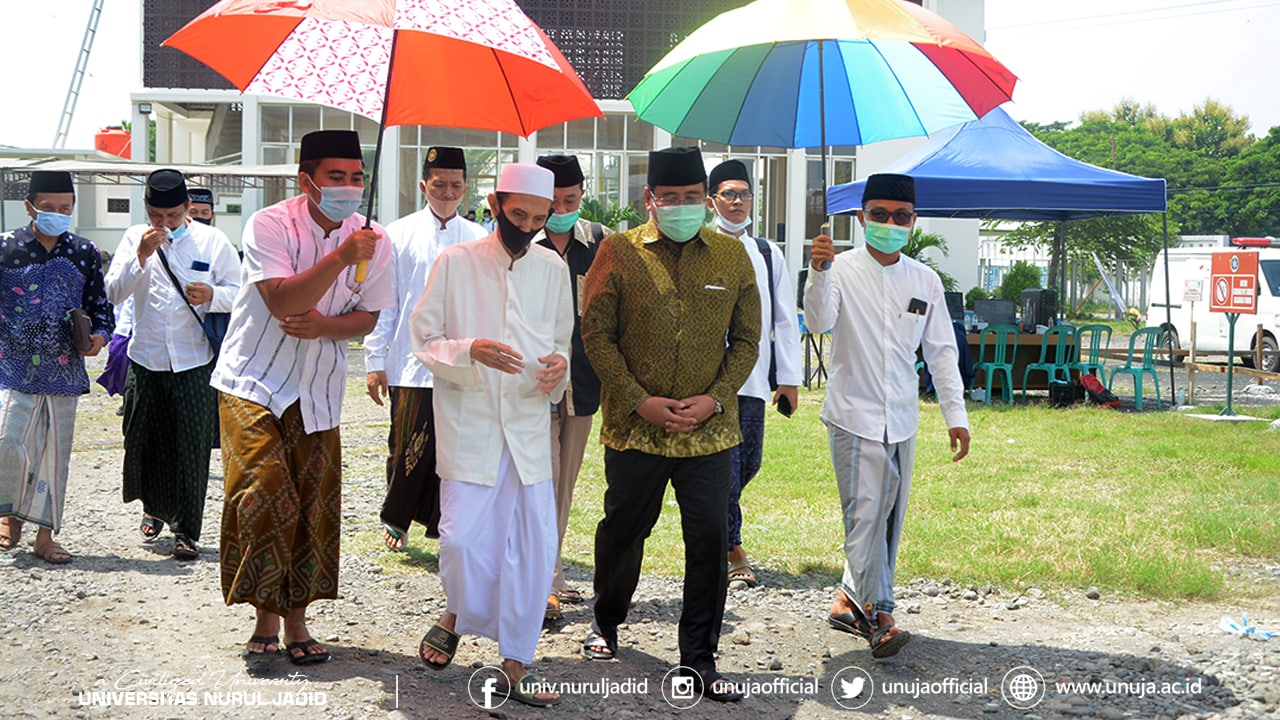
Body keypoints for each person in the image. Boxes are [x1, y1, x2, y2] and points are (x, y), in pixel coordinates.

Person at [580, 146, 759, 703]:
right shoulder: (617, 251)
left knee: (707, 538)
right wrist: (639, 400)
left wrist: (715, 398)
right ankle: (607, 620)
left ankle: (699, 658)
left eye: (690, 199)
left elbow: (748, 340)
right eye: (669, 199)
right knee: (624, 529)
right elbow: (596, 335)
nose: (680, 208)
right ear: (649, 200)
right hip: (637, 427)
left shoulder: (732, 258)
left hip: (708, 431)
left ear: (706, 201)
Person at [213, 129, 392, 664]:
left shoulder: (374, 238)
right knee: (266, 488)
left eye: (356, 178)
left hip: (318, 389)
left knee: (314, 505)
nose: (348, 187)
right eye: (335, 177)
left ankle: (295, 621)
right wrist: (339, 259)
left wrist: (329, 327)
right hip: (254, 381)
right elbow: (282, 301)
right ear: (306, 180)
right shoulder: (269, 224)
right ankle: (264, 611)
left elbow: (370, 316)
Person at [411, 163, 572, 708]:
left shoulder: (552, 267)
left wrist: (558, 369)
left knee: (532, 548)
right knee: (459, 542)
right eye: (517, 214)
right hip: (471, 423)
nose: (526, 226)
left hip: (528, 426)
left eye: (537, 218)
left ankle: (514, 665)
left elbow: (562, 342)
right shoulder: (455, 262)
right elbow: (424, 339)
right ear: (496, 203)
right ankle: (458, 611)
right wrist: (468, 350)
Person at [803, 173, 970, 658]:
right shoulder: (839, 268)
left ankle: (847, 602)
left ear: (914, 222)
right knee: (866, 513)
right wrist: (818, 272)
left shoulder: (925, 280)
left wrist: (954, 413)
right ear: (861, 218)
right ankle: (881, 613)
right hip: (853, 413)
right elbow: (818, 322)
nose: (890, 224)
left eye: (900, 216)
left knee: (887, 518)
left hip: (902, 417)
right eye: (879, 214)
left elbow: (941, 351)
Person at [105, 169, 242, 560]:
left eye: (172, 217)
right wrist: (140, 257)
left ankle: (186, 529)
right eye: (156, 216)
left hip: (194, 360)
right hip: (145, 357)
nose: (164, 224)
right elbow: (113, 293)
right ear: (147, 210)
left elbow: (240, 292)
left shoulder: (212, 241)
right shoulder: (133, 237)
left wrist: (212, 294)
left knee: (192, 445)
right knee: (144, 436)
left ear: (186, 209)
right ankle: (154, 506)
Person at [365, 146, 485, 551]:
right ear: (423, 186)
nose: (447, 192)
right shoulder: (396, 234)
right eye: (439, 185)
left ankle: (443, 523)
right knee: (407, 443)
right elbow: (386, 302)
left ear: (465, 188)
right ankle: (396, 519)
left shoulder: (480, 238)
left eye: (455, 185)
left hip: (462, 361)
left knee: (455, 446)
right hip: (411, 361)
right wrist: (375, 359)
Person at [0, 171, 112, 564]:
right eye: (48, 208)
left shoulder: (84, 251)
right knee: (8, 441)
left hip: (64, 370)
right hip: (11, 365)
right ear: (29, 206)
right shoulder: (5, 247)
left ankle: (45, 537)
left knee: (54, 455)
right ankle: (9, 514)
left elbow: (101, 306)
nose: (57, 215)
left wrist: (100, 336)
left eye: (65, 208)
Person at [705, 159, 803, 591]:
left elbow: (784, 318)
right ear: (712, 200)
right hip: (708, 380)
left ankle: (716, 531)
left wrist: (790, 378)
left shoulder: (767, 252)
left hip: (755, 378)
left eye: (744, 194)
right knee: (725, 466)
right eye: (729, 193)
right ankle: (732, 548)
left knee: (750, 463)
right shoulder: (698, 243)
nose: (738, 201)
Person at [532, 154, 606, 621]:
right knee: (539, 481)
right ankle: (544, 579)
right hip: (533, 384)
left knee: (564, 485)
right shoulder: (522, 241)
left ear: (583, 194)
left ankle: (550, 577)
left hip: (583, 385)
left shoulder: (601, 242)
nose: (562, 208)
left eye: (571, 199)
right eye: (553, 201)